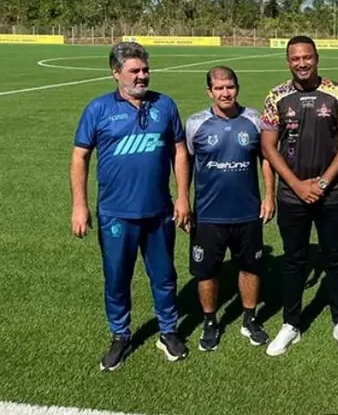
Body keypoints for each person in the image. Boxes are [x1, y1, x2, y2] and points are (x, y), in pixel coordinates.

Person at [70, 41, 191, 372]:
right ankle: (121, 336)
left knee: (164, 276)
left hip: (159, 211)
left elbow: (179, 151)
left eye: (145, 69)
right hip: (116, 213)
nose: (142, 76)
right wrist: (80, 206)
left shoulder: (165, 105)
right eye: (134, 70)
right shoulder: (98, 110)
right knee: (117, 278)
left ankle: (168, 331)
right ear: (115, 73)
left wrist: (182, 196)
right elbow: (80, 157)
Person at [260, 35, 338, 357]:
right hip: (292, 196)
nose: (302, 63)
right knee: (293, 260)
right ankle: (291, 324)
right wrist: (298, 185)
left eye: (307, 57)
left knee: (335, 258)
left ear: (317, 58)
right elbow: (269, 148)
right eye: (295, 58)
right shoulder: (276, 95)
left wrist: (324, 182)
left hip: (330, 196)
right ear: (288, 61)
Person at [184, 66, 276, 352]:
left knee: (251, 267)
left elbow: (266, 159)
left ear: (237, 88)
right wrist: (183, 201)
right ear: (209, 91)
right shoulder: (196, 124)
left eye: (230, 87)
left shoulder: (254, 121)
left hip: (248, 212)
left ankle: (249, 319)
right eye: (219, 88)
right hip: (208, 214)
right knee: (207, 271)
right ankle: (211, 322)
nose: (226, 93)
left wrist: (269, 196)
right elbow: (184, 162)